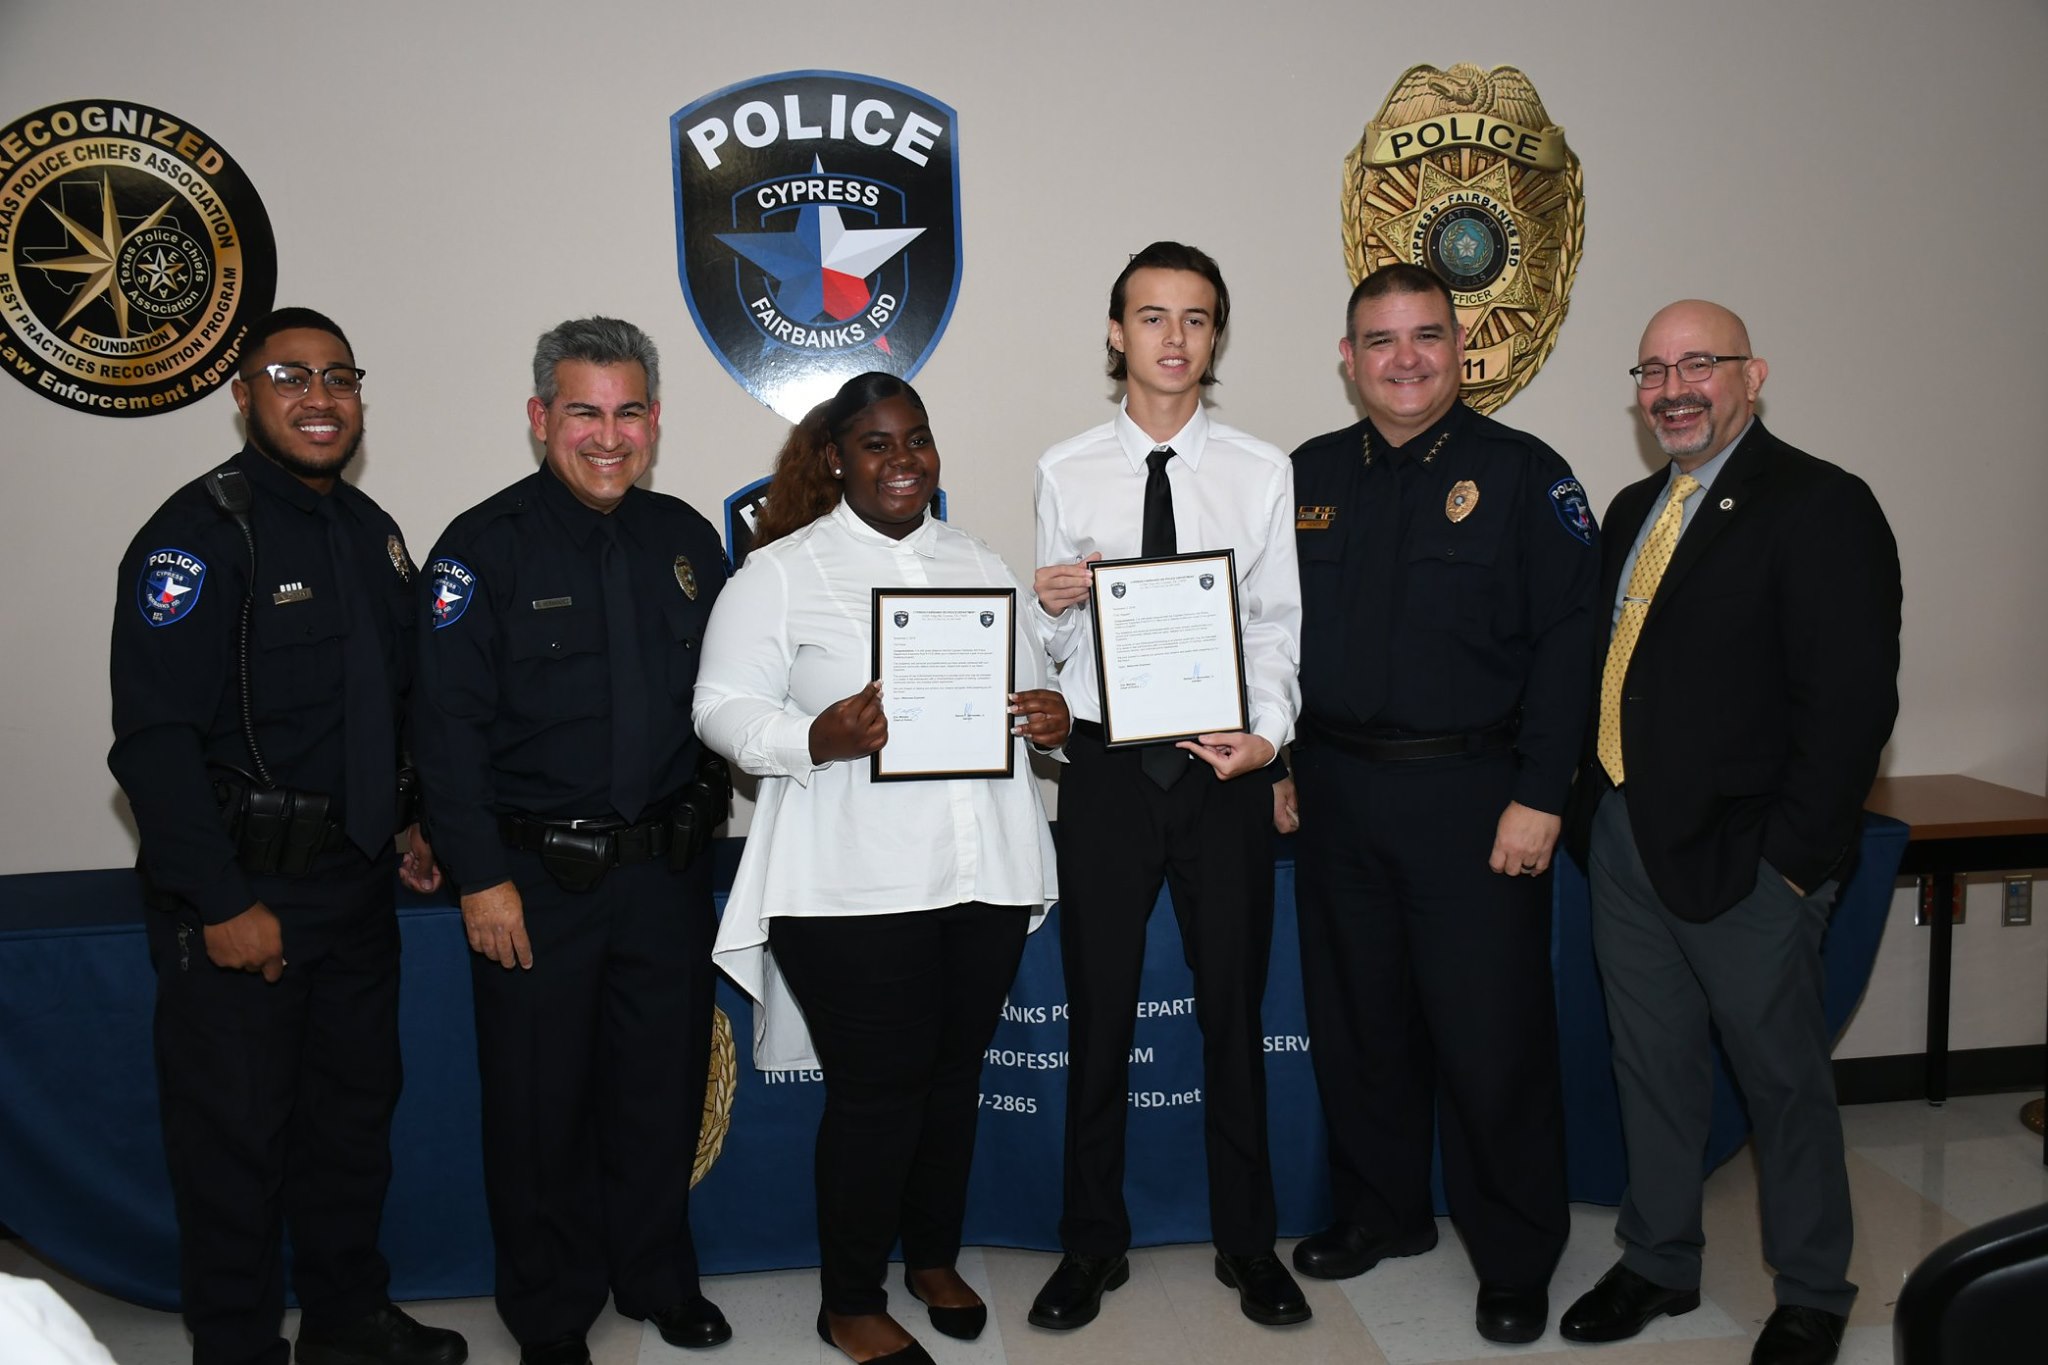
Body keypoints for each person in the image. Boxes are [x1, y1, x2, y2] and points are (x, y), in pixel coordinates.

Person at [108, 307, 465, 1365]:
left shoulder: (372, 535)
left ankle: (348, 1324)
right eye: (289, 377)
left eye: (338, 378)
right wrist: (219, 902)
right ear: (242, 396)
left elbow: (379, 704)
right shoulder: (198, 538)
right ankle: (236, 1346)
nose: (320, 399)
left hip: (353, 893)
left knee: (349, 1131)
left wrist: (404, 815)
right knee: (235, 1149)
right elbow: (155, 745)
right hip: (242, 895)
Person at [697, 373, 1068, 1365]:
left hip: (979, 873)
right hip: (849, 884)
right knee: (877, 1093)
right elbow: (718, 707)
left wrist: (1053, 719)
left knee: (950, 1082)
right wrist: (810, 733)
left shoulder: (977, 561)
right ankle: (849, 1298)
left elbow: (1037, 694)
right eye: (874, 443)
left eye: (917, 439)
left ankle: (932, 1257)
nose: (901, 460)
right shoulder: (780, 573)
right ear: (833, 457)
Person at [1558, 301, 1900, 1365]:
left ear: (1750, 375)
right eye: (1651, 370)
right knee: (1649, 1066)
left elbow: (1847, 709)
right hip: (1622, 837)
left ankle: (1809, 1289)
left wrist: (1793, 867)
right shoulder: (1628, 510)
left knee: (1779, 1082)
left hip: (1748, 861)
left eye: (1695, 365)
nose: (1671, 388)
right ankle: (1656, 1260)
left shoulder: (1819, 505)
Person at [1282, 263, 1598, 1345]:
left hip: (1473, 798)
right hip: (1332, 790)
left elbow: (1569, 648)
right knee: (1357, 1023)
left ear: (1459, 350)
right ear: (1347, 358)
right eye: (1379, 340)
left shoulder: (1523, 475)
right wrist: (1278, 761)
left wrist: (1539, 795)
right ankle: (1381, 1215)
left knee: (1488, 1035)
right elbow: (1265, 638)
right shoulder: (1306, 475)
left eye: (1424, 336)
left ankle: (1514, 1254)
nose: (1403, 358)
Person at [411, 318, 731, 1365]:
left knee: (658, 1094)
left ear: (653, 420)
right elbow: (444, 732)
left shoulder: (685, 542)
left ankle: (654, 1276)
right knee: (539, 1112)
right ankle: (549, 1312)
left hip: (664, 877)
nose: (608, 436)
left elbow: (724, 705)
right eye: (584, 411)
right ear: (541, 417)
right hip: (533, 885)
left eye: (628, 411)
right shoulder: (481, 548)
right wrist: (480, 877)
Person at [1028, 241, 1307, 1331]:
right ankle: (1089, 1247)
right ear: (1115, 332)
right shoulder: (1064, 470)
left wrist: (1269, 742)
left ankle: (1249, 1245)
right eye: (1151, 318)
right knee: (1097, 1014)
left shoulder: (1258, 469)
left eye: (1195, 319)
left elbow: (1277, 629)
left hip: (1221, 771)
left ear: (1215, 336)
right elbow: (1052, 661)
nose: (1173, 339)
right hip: (1103, 769)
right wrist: (1050, 608)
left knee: (1232, 1012)